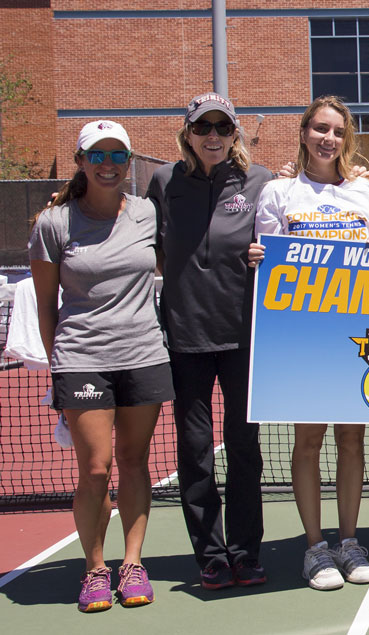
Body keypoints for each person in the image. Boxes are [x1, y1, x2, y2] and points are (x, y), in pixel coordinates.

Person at [30, 120, 175, 611]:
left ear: (129, 163)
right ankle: (94, 569)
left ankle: (132, 563)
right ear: (81, 162)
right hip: (82, 359)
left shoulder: (147, 214)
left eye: (118, 156)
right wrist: (59, 368)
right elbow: (45, 305)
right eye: (98, 155)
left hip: (144, 355)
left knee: (135, 463)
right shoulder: (54, 224)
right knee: (95, 469)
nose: (108, 164)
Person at [250, 95, 369, 590]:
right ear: (304, 132)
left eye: (336, 131)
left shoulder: (364, 192)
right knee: (308, 442)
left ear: (346, 138)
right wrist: (256, 256)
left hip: (356, 334)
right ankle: (315, 548)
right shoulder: (279, 192)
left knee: (352, 439)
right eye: (319, 129)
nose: (328, 139)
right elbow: (267, 264)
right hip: (303, 339)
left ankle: (350, 543)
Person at [147, 93, 271, 590]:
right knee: (195, 451)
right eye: (204, 127)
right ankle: (211, 555)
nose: (213, 135)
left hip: (244, 338)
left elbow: (295, 227)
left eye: (223, 126)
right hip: (185, 338)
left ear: (235, 132)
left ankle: (245, 552)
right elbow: (143, 241)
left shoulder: (260, 181)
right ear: (188, 133)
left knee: (244, 448)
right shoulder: (163, 182)